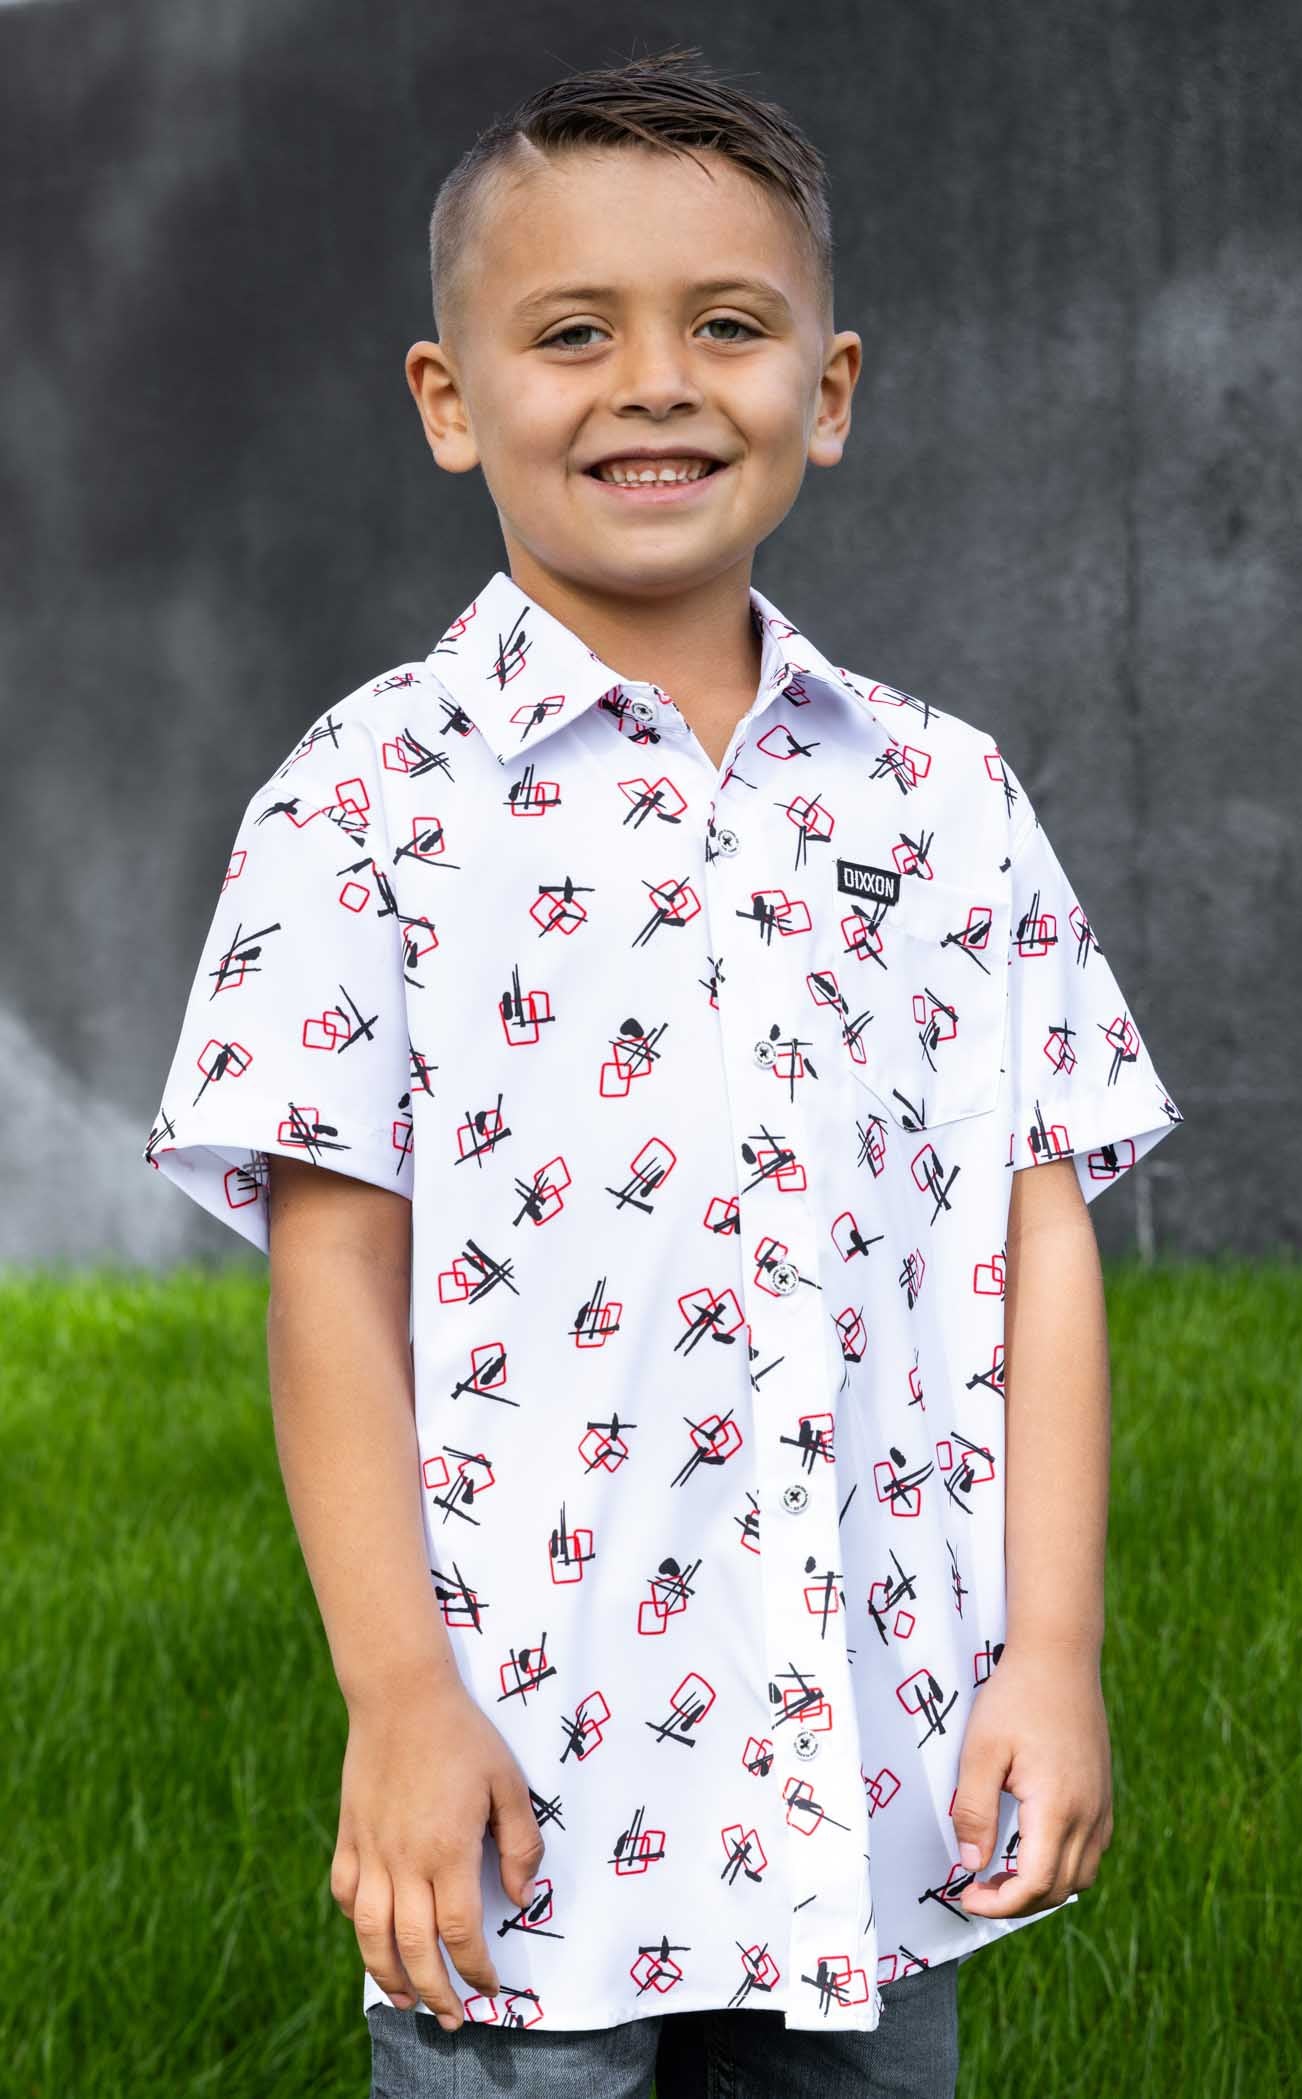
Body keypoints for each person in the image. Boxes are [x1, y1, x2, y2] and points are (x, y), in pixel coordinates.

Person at [143, 43, 1184, 2099]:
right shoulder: (365, 803)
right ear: (450, 400)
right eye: (571, 333)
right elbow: (333, 1283)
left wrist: (1050, 1656)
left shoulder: (943, 799)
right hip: (530, 1792)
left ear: (832, 387)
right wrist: (399, 1698)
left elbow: (1035, 1233)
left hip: (869, 1773)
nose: (655, 384)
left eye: (726, 325)